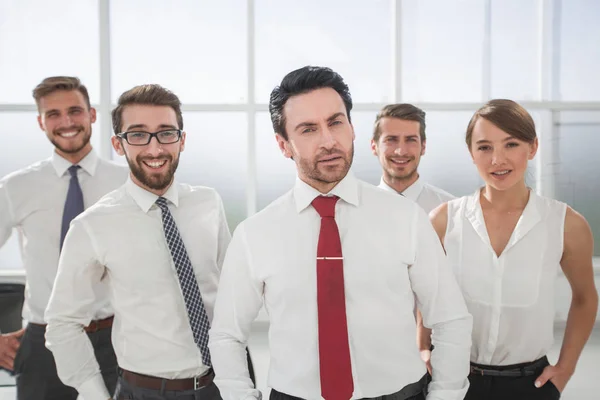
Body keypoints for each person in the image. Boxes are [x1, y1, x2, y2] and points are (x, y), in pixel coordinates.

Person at [209, 66, 472, 400]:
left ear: (351, 127)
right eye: (308, 129)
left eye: (335, 122)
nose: (329, 140)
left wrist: (445, 395)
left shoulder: (406, 218)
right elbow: (227, 336)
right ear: (283, 144)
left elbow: (450, 319)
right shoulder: (254, 234)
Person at [45, 84, 239, 400]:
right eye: (137, 135)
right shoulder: (92, 225)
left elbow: (233, 293)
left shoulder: (208, 203)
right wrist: (94, 393)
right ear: (118, 145)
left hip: (220, 385)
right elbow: (62, 323)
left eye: (166, 133)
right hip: (145, 391)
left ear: (182, 140)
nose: (154, 149)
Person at [420, 99, 598, 400]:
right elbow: (425, 294)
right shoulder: (442, 220)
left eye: (511, 144)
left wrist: (565, 368)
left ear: (533, 147)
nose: (497, 159)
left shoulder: (567, 224)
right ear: (471, 154)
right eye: (484, 147)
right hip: (452, 380)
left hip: (530, 385)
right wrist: (422, 347)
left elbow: (584, 298)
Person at [0, 76, 127, 399]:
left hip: (116, 339)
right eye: (53, 114)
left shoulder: (126, 182)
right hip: (43, 345)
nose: (66, 122)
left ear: (92, 115)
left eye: (75, 111)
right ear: (41, 122)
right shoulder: (16, 188)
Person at [371, 103, 454, 214]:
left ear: (423, 146)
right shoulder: (355, 212)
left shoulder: (452, 211)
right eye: (391, 140)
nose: (401, 151)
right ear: (374, 146)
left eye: (410, 140)